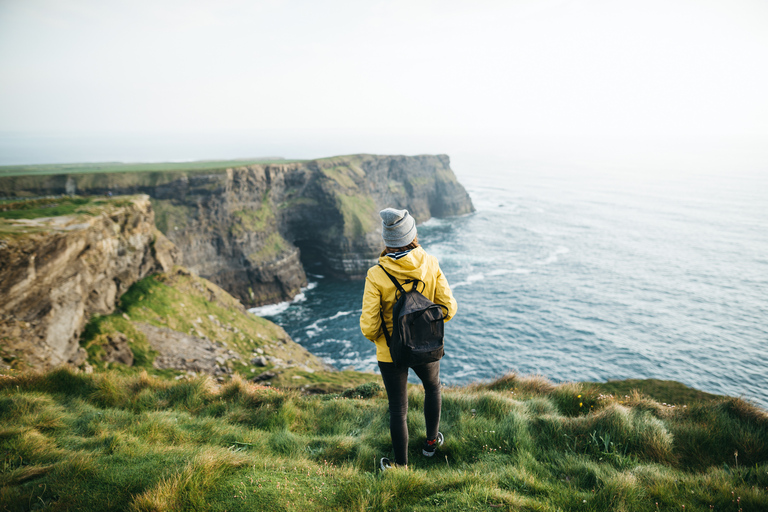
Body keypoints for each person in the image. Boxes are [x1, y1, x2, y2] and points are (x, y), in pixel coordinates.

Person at [360, 208, 458, 470]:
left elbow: (369, 326)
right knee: (433, 387)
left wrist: (388, 340)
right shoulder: (430, 262)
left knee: (398, 410)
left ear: (386, 240)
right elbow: (448, 308)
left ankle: (401, 467)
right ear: (412, 234)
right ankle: (430, 444)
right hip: (426, 345)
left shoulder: (376, 274)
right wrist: (424, 328)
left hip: (391, 352)